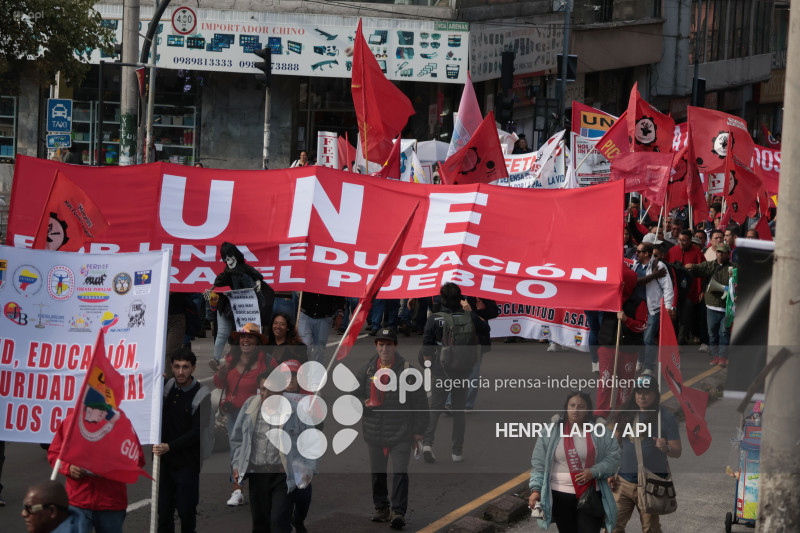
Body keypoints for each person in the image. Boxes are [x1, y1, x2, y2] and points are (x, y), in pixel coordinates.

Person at [229, 363, 317, 533]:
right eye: (263, 389)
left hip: (283, 476)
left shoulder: (296, 411)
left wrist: (308, 469)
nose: (266, 394)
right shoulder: (250, 406)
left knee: (278, 523)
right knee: (260, 524)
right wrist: (237, 464)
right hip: (257, 475)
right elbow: (238, 439)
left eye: (272, 390)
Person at [355, 328, 429, 530]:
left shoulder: (408, 371)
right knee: (377, 473)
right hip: (374, 431)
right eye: (381, 345)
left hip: (401, 432)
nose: (385, 349)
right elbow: (353, 395)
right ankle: (381, 508)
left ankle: (398, 512)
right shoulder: (367, 370)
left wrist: (419, 431)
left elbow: (421, 404)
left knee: (400, 472)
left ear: (395, 346)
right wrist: (363, 403)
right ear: (376, 346)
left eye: (388, 345)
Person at [528, 391, 620, 533]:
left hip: (591, 495)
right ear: (566, 407)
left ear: (587, 410)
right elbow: (539, 463)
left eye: (581, 407)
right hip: (561, 496)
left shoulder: (599, 431)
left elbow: (614, 458)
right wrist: (536, 489)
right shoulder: (551, 431)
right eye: (572, 405)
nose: (575, 410)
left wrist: (594, 471)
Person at [420, 282, 490, 463]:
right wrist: (471, 311)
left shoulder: (435, 318)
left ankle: (427, 443)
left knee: (435, 408)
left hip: (441, 369)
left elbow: (427, 345)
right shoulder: (469, 317)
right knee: (459, 411)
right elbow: (485, 328)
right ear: (460, 298)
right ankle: (456, 451)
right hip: (463, 369)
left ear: (442, 298)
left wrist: (429, 366)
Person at [47, 409, 144, 533]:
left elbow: (137, 459)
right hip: (78, 502)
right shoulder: (72, 421)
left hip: (110, 504)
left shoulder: (121, 423)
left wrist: (112, 468)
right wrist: (69, 468)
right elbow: (54, 453)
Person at [609, 371, 681, 533]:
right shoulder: (625, 414)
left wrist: (666, 447)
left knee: (650, 529)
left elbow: (677, 451)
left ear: (655, 394)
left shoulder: (666, 418)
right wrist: (609, 471)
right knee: (612, 526)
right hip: (623, 482)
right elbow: (613, 447)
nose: (642, 396)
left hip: (651, 484)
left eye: (647, 393)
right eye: (638, 392)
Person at [214, 323, 273, 506]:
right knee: (237, 452)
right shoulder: (230, 359)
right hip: (235, 415)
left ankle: (264, 489)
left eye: (250, 337)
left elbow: (278, 384)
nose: (246, 340)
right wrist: (221, 373)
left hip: (259, 415)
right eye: (243, 337)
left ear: (257, 341)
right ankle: (237, 490)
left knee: (259, 452)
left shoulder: (267, 362)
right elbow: (219, 384)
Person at [155, 348, 211, 533]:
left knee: (186, 512)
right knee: (163, 513)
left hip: (188, 463)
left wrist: (170, 446)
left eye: (185, 367)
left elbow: (198, 430)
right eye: (177, 366)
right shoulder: (165, 386)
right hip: (165, 462)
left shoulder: (202, 393)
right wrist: (154, 380)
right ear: (171, 367)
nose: (180, 372)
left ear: (193, 368)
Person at [207, 242, 275, 370]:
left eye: (230, 257)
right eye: (226, 259)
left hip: (247, 307)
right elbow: (218, 282)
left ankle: (237, 359)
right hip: (233, 306)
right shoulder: (228, 271)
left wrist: (257, 283)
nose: (229, 261)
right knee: (224, 333)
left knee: (244, 334)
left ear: (235, 256)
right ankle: (217, 359)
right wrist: (212, 288)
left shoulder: (244, 268)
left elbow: (257, 276)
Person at [686, 242, 735, 367]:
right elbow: (698, 268)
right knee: (712, 333)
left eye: (723, 252)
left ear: (728, 254)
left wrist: (729, 289)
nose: (720, 254)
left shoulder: (733, 268)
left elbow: (737, 283)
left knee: (723, 333)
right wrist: (691, 266)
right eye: (718, 252)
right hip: (711, 306)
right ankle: (715, 356)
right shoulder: (710, 265)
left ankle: (723, 357)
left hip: (727, 307)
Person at [630, 243, 675, 372]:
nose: (636, 253)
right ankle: (640, 360)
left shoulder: (658, 266)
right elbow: (633, 282)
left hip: (652, 308)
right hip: (638, 308)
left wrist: (668, 306)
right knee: (639, 336)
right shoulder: (635, 265)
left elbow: (667, 287)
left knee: (648, 338)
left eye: (639, 252)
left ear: (646, 254)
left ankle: (649, 367)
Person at [665, 230, 704, 345]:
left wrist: (701, 290)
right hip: (673, 292)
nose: (682, 242)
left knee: (685, 318)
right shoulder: (672, 251)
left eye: (685, 240)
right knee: (673, 317)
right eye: (680, 240)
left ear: (690, 240)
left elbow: (702, 273)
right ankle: (673, 340)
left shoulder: (697, 253)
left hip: (690, 292)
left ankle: (680, 341)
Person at [297, 291, 344, 363]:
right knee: (304, 344)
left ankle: (318, 368)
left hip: (325, 316)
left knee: (319, 348)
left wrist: (340, 314)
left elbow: (340, 293)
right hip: (305, 313)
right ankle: (304, 366)